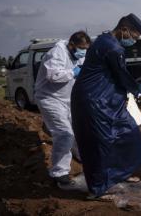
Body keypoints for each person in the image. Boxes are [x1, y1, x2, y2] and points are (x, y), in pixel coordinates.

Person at [71, 13, 141, 199]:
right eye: (134, 37)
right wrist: (136, 87)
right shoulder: (113, 48)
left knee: (126, 134)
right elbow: (121, 75)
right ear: (124, 30)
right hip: (96, 102)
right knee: (99, 144)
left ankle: (117, 174)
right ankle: (97, 188)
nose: (134, 41)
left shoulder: (103, 40)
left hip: (101, 99)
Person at [34, 31, 91, 188]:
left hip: (67, 99)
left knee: (78, 130)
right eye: (80, 48)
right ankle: (59, 172)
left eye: (85, 48)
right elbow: (53, 75)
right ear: (71, 45)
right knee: (65, 134)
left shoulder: (80, 55)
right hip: (49, 98)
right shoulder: (57, 52)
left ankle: (85, 159)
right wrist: (73, 72)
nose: (83, 51)